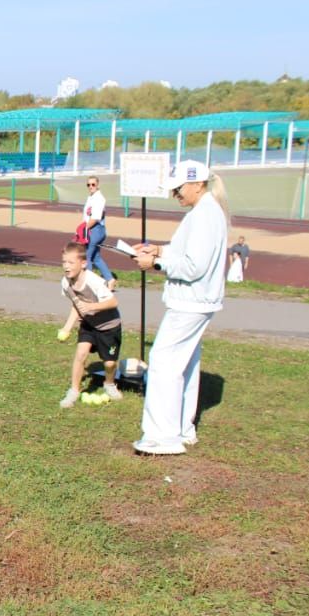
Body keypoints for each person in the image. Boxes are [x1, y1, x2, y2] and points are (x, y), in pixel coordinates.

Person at [131, 160, 229, 455]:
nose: (175, 194)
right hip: (197, 301)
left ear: (198, 184)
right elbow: (187, 251)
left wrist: (156, 263)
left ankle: (162, 437)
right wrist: (159, 250)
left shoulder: (204, 215)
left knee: (163, 363)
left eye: (178, 188)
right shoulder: (204, 212)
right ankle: (183, 429)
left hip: (191, 302)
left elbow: (193, 266)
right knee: (185, 365)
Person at [56, 241, 123, 408]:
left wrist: (91, 307)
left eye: (71, 262)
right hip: (89, 325)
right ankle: (74, 391)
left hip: (109, 327)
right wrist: (67, 327)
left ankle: (109, 383)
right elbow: (77, 305)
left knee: (109, 363)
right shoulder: (66, 282)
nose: (66, 266)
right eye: (64, 262)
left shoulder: (94, 281)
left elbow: (114, 301)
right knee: (81, 355)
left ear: (83, 264)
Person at [81, 176, 116, 289]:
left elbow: (95, 218)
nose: (91, 187)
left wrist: (84, 229)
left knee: (87, 257)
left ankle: (90, 284)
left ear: (98, 185)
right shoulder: (91, 197)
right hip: (95, 229)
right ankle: (110, 279)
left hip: (95, 229)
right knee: (96, 257)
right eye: (88, 185)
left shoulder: (99, 198)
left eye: (93, 184)